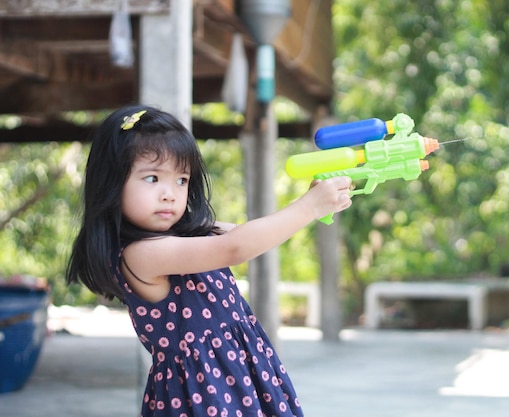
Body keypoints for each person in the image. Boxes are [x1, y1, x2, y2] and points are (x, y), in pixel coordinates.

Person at [66, 105, 352, 417]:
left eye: (181, 180)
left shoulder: (193, 233)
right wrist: (308, 207)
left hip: (240, 382)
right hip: (201, 397)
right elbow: (236, 247)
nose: (170, 194)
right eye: (151, 178)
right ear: (111, 183)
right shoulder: (140, 254)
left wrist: (313, 201)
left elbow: (251, 233)